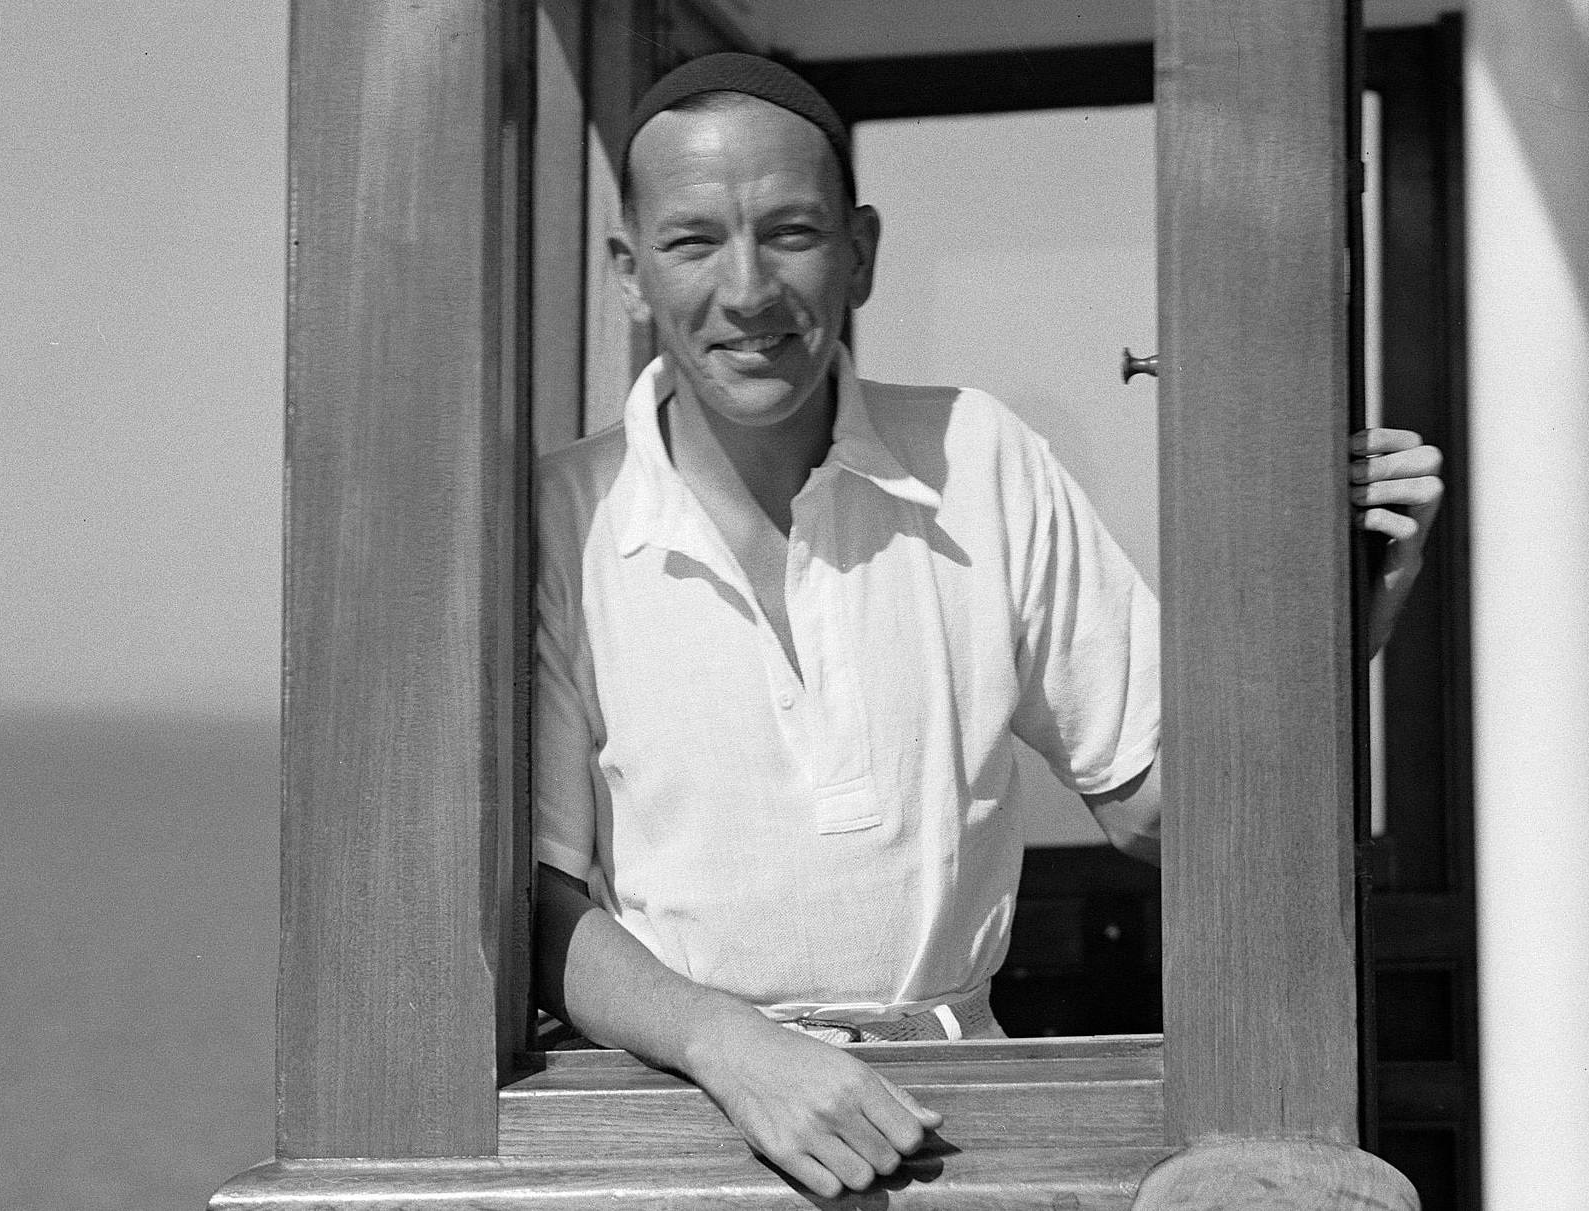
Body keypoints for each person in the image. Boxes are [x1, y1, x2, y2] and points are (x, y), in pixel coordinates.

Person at [532, 53, 1444, 1199]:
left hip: (963, 1135)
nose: (749, 288)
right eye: (694, 240)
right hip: (662, 1134)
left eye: (793, 231)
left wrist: (1355, 604)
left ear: (861, 251)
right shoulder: (558, 516)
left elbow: (1161, 805)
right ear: (628, 271)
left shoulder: (985, 460)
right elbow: (537, 896)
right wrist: (732, 1046)